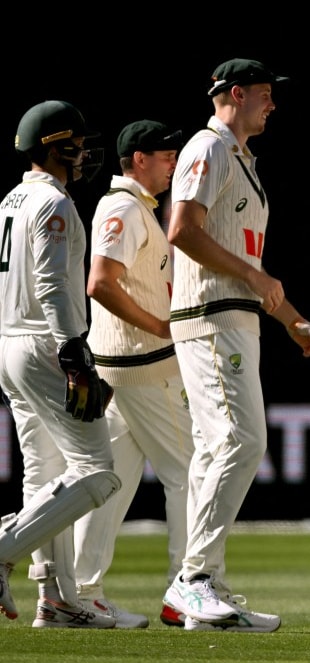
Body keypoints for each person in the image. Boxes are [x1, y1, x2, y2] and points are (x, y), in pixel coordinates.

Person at [162, 59, 310, 633]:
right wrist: (257, 283)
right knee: (242, 439)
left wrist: (292, 321)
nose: (272, 105)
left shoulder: (240, 159)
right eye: (264, 95)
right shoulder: (206, 148)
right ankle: (193, 581)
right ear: (235, 94)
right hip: (211, 319)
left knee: (216, 451)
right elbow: (181, 230)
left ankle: (202, 587)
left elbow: (249, 264)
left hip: (232, 318)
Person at [0, 100, 122, 627]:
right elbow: (51, 283)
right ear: (57, 145)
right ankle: (5, 545)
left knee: (43, 470)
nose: (84, 152)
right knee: (97, 473)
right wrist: (74, 351)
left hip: (10, 342)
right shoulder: (53, 202)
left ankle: (56, 598)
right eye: (77, 142)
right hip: (44, 343)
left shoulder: (10, 198)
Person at [70, 120, 191, 629]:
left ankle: (81, 593)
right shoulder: (123, 208)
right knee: (194, 475)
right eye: (166, 155)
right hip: (143, 370)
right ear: (138, 159)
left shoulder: (136, 207)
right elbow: (100, 283)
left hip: (122, 370)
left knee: (110, 484)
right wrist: (162, 326)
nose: (174, 163)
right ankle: (189, 588)